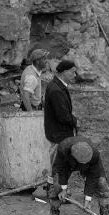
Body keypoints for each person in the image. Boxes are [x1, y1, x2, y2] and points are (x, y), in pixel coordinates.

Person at [46, 138, 109, 215]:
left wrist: (88, 198)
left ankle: (104, 211)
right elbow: (61, 170)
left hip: (88, 163)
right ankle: (54, 211)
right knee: (57, 184)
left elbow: (93, 176)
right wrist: (63, 189)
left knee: (101, 182)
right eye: (82, 162)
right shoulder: (63, 150)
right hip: (66, 163)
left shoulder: (95, 154)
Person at [44, 60, 79, 190]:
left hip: (56, 131)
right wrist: (75, 121)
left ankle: (51, 188)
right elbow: (63, 115)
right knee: (60, 164)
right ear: (64, 71)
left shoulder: (57, 85)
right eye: (73, 72)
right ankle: (57, 193)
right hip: (59, 132)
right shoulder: (56, 89)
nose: (75, 75)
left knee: (56, 163)